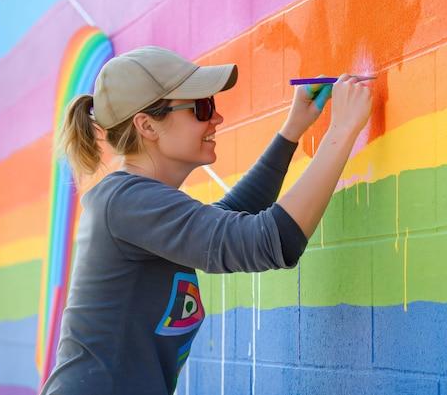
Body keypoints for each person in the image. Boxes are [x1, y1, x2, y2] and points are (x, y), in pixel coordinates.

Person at [39, 46, 373, 395]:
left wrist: (292, 130)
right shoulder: (124, 202)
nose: (217, 118)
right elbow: (269, 241)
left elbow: (230, 219)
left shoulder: (132, 203)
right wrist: (343, 130)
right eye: (201, 107)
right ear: (147, 125)